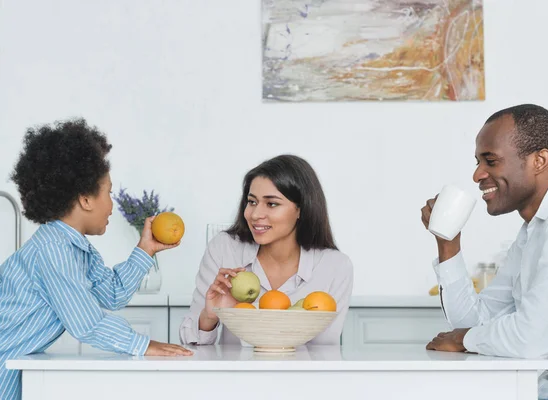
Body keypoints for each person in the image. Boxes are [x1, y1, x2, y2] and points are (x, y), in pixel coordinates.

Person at [0, 118, 193, 400]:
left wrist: (145, 250)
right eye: (109, 192)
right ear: (86, 200)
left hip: (15, 363)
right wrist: (142, 344)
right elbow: (86, 323)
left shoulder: (76, 248)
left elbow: (112, 294)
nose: (112, 204)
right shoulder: (53, 250)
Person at [420, 104, 548, 399]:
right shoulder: (533, 230)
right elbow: (475, 321)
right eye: (478, 162)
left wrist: (464, 339)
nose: (478, 174)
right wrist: (448, 244)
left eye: (490, 161)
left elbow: (533, 337)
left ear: (539, 160)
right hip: (542, 390)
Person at [180, 154, 353, 345]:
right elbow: (191, 346)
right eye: (252, 201)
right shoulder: (224, 249)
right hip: (236, 375)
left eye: (272, 204)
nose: (255, 214)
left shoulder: (336, 267)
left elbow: (324, 350)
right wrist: (210, 316)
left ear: (301, 210)